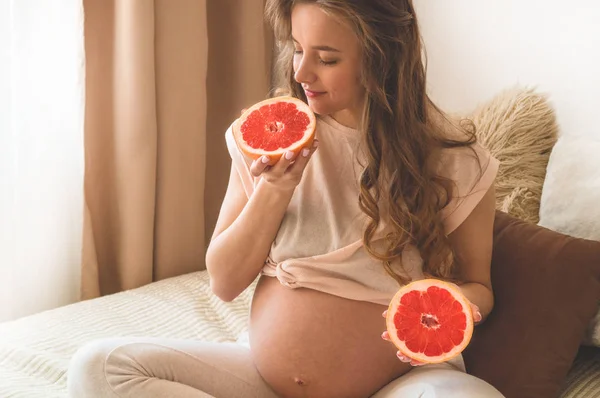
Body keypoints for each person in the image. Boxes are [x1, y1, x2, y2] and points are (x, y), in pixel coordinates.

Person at [67, 1, 505, 397]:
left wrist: (456, 309)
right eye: (297, 49)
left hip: (398, 384)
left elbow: (478, 286)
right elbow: (224, 281)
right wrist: (273, 189)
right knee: (101, 368)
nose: (301, 74)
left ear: (383, 59)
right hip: (263, 380)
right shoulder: (270, 139)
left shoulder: (457, 163)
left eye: (327, 58)